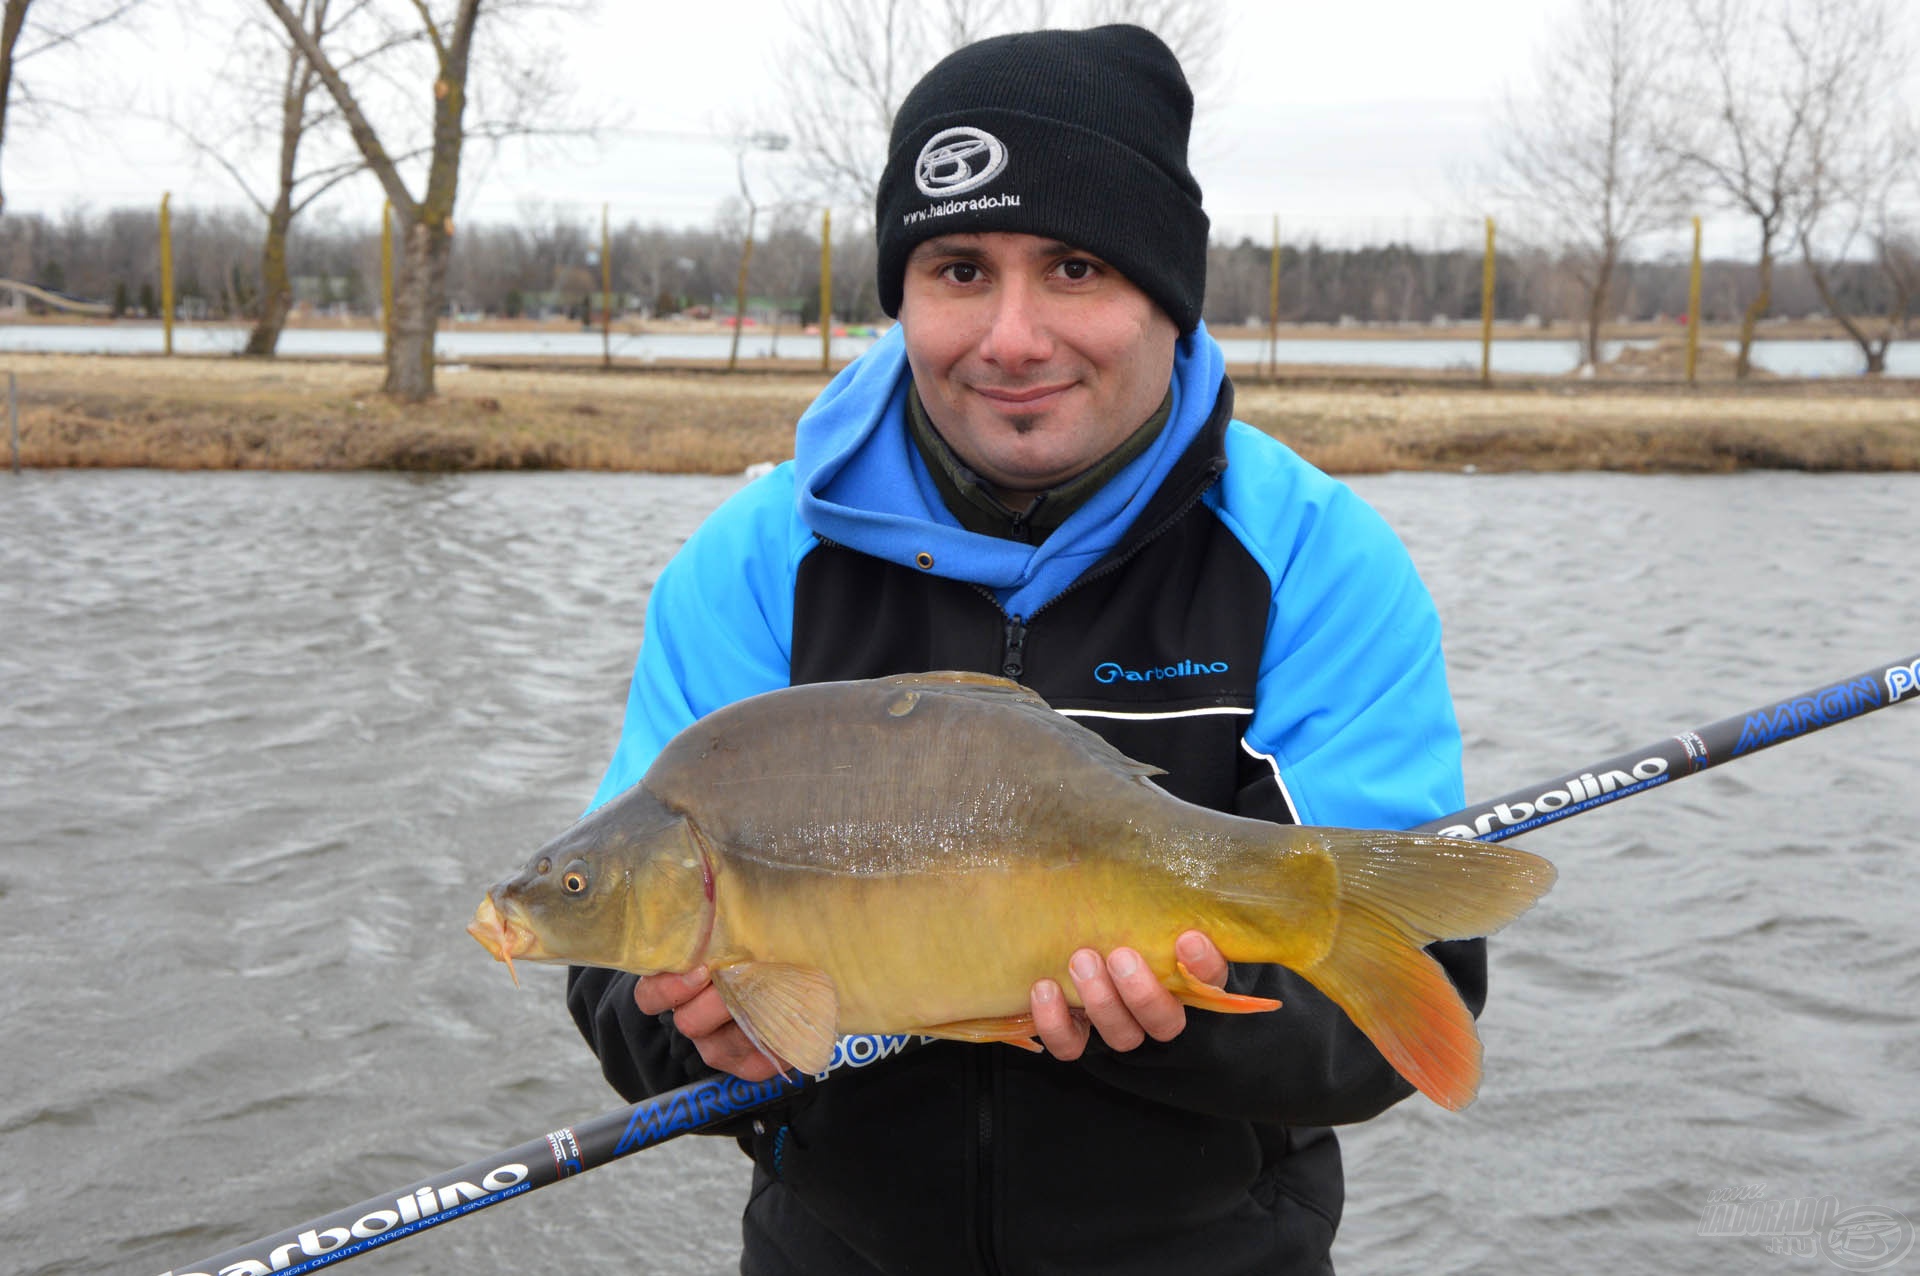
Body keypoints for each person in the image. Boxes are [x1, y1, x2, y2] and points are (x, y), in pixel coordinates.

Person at [567, 23, 1482, 1276]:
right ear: (902, 293)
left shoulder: (1318, 560)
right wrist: (696, 1036)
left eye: (1074, 268)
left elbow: (1385, 1029)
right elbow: (618, 948)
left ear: (1168, 293)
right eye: (956, 269)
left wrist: (1172, 1021)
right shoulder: (748, 565)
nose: (1010, 337)